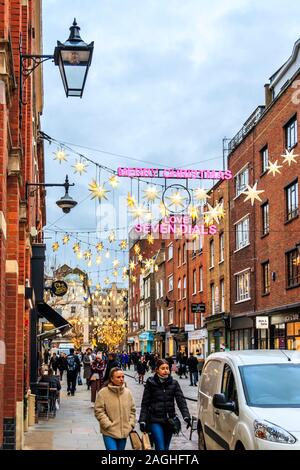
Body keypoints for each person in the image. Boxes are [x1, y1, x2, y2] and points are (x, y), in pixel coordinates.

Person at [139, 359, 191, 451]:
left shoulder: (174, 383)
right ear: (157, 370)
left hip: (170, 421)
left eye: (167, 368)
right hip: (155, 420)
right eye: (162, 368)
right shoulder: (151, 383)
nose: (166, 370)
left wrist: (186, 416)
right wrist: (142, 420)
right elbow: (145, 403)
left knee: (166, 448)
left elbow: (181, 401)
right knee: (160, 448)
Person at [94, 367, 136, 451]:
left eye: (122, 377)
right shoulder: (103, 393)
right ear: (111, 379)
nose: (121, 379)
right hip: (109, 431)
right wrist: (107, 424)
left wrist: (130, 424)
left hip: (124, 431)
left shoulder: (128, 393)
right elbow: (99, 410)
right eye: (118, 377)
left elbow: (133, 410)